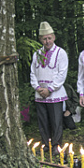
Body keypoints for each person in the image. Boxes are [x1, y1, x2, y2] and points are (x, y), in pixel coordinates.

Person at [30, 21, 68, 155]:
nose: (47, 41)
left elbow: (62, 74)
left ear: (54, 37)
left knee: (56, 121)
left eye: (49, 38)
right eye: (44, 39)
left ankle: (57, 145)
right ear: (40, 39)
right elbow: (33, 73)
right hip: (40, 94)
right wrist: (37, 88)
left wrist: (50, 89)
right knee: (43, 122)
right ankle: (46, 144)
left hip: (55, 94)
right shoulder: (36, 54)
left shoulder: (61, 53)